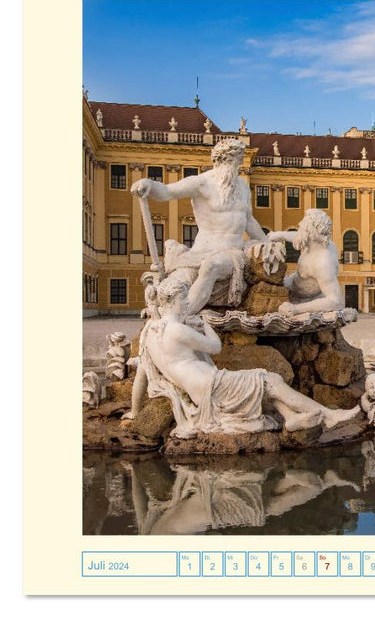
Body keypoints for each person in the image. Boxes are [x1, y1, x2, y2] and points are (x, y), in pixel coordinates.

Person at [130, 277, 358, 435]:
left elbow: (141, 377)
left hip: (206, 389)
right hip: (212, 388)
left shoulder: (150, 333)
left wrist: (135, 412)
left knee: (263, 384)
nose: (188, 302)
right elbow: (215, 347)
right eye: (184, 298)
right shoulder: (177, 330)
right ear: (172, 300)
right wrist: (205, 324)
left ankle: (291, 417)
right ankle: (329, 414)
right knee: (269, 379)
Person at [130, 138, 273, 315]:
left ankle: (180, 318)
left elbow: (249, 221)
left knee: (211, 266)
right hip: (199, 252)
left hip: (230, 254)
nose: (239, 165)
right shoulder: (201, 183)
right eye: (237, 159)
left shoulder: (243, 187)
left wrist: (267, 243)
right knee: (177, 281)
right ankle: (162, 315)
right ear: (223, 160)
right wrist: (149, 185)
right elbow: (167, 192)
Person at [265, 209, 344, 314]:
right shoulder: (320, 243)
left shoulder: (323, 263)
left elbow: (336, 301)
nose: (299, 224)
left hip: (300, 296)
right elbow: (300, 236)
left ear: (312, 232)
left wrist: (296, 309)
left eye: (303, 226)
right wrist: (280, 235)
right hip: (292, 282)